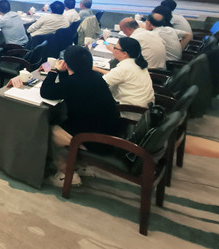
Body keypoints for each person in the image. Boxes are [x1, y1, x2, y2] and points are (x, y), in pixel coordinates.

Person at [39, 45, 122, 187]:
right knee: (64, 120)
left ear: (68, 64)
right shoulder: (96, 76)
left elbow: (46, 92)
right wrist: (63, 72)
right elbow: (68, 85)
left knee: (51, 131)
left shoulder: (74, 82)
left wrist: (53, 71)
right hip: (110, 130)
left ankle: (66, 174)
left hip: (96, 140)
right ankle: (80, 165)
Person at [96, 37, 155, 107]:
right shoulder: (137, 63)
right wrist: (96, 69)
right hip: (145, 108)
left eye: (115, 48)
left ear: (124, 53)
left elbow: (99, 84)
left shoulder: (123, 68)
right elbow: (116, 75)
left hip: (128, 109)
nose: (113, 49)